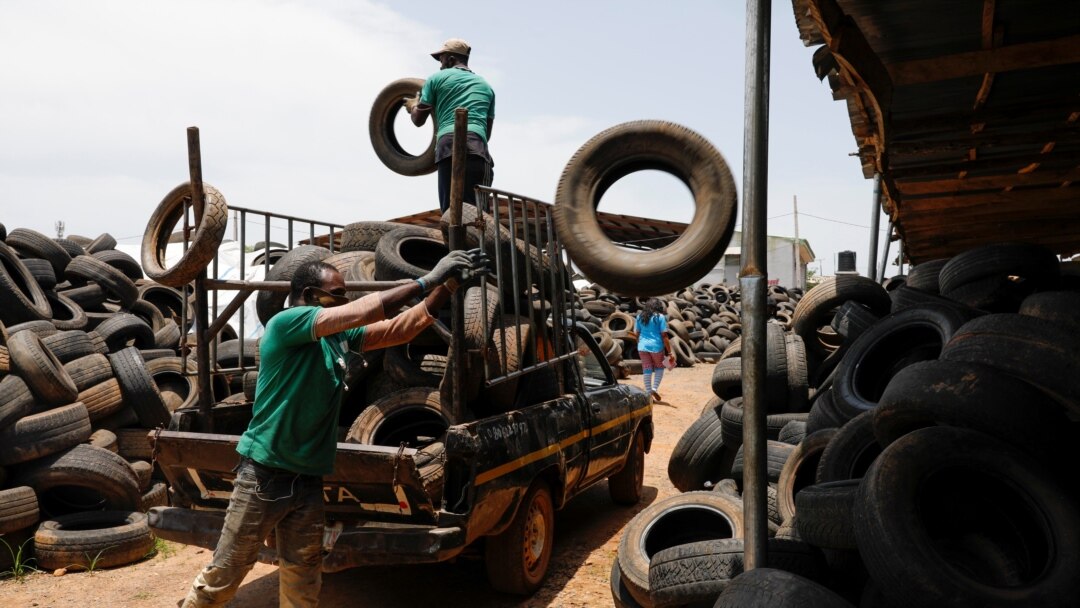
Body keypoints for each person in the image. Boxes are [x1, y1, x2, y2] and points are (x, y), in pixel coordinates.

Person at [180, 249, 483, 608]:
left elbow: (400, 329)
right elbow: (361, 310)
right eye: (336, 294)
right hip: (264, 475)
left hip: (306, 478)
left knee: (303, 572)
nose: (343, 300)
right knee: (228, 570)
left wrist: (445, 287)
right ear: (308, 296)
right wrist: (425, 280)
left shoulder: (334, 337)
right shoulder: (287, 323)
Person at [407, 38, 495, 213]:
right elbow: (487, 132)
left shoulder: (436, 79)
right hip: (476, 148)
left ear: (451, 59)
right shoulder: (486, 86)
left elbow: (418, 120)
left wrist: (413, 106)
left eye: (442, 59)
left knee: (450, 211)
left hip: (447, 148)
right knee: (479, 216)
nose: (440, 64)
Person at [633, 298, 672, 403]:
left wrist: (639, 344)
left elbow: (637, 333)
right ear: (658, 306)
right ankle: (654, 389)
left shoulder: (640, 317)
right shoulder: (660, 317)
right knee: (660, 367)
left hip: (642, 347)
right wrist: (670, 352)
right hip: (656, 347)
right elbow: (664, 335)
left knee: (647, 369)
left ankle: (648, 392)